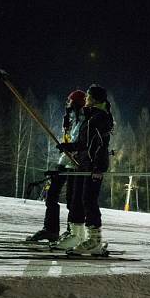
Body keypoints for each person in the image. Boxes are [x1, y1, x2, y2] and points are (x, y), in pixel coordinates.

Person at [54, 84, 114, 255]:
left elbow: (97, 145)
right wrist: (68, 146)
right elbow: (84, 143)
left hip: (94, 166)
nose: (86, 99)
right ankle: (78, 235)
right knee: (78, 199)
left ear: (94, 99)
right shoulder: (92, 116)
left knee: (89, 199)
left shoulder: (100, 117)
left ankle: (95, 240)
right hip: (84, 164)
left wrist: (97, 166)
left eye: (88, 96)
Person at [26, 89, 86, 242]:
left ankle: (71, 232)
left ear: (77, 103)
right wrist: (65, 141)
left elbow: (83, 143)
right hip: (64, 161)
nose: (68, 105)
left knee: (73, 199)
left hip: (76, 163)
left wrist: (70, 147)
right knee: (51, 195)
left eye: (70, 102)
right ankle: (51, 230)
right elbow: (68, 137)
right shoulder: (71, 119)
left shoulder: (85, 120)